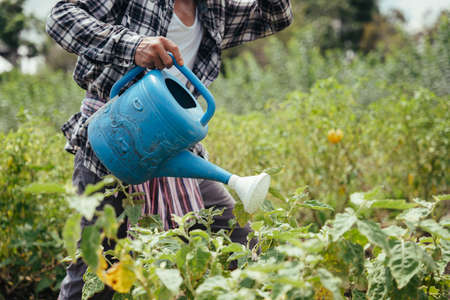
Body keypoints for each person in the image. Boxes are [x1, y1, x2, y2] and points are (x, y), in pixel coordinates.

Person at [46, 0, 292, 299]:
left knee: (239, 241)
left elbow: (276, 16)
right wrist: (133, 45)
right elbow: (60, 18)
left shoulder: (215, 9)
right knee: (97, 271)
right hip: (117, 140)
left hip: (175, 148)